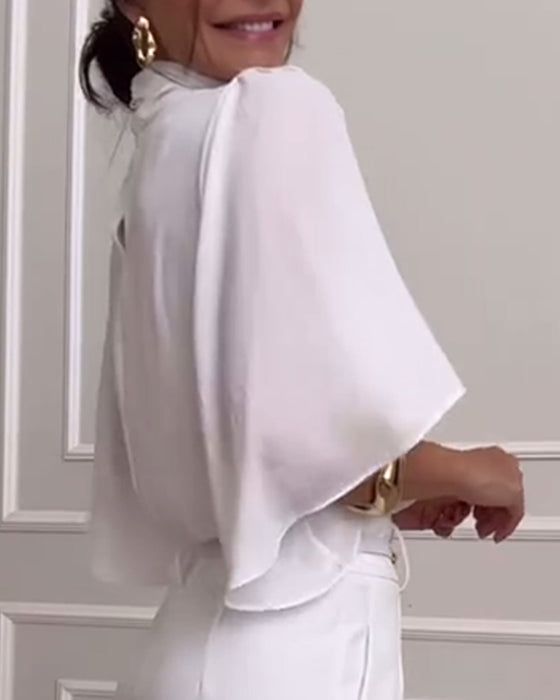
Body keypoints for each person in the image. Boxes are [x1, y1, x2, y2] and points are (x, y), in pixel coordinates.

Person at [81, 2, 525, 699]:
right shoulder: (272, 109)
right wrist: (473, 472)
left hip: (194, 644)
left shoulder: (165, 135)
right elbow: (293, 437)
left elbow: (230, 433)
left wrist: (376, 493)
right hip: (296, 655)